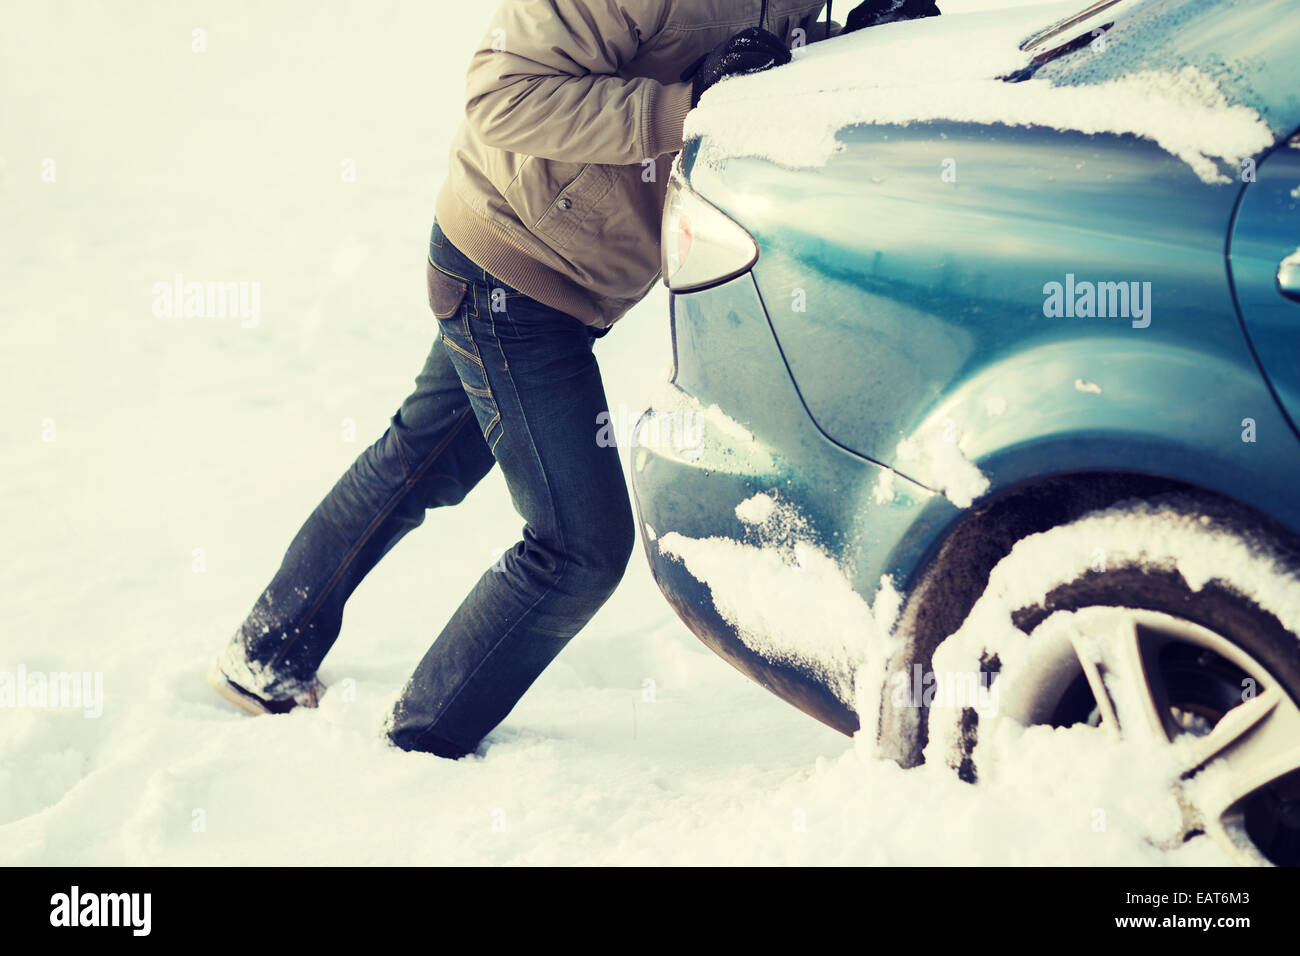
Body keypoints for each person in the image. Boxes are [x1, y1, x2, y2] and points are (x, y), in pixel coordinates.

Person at [208, 0, 939, 759]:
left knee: (421, 460)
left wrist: (854, 49)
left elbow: (754, 62)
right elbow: (502, 93)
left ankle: (266, 651)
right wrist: (683, 108)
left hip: (566, 276)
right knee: (578, 548)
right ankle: (422, 743)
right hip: (509, 267)